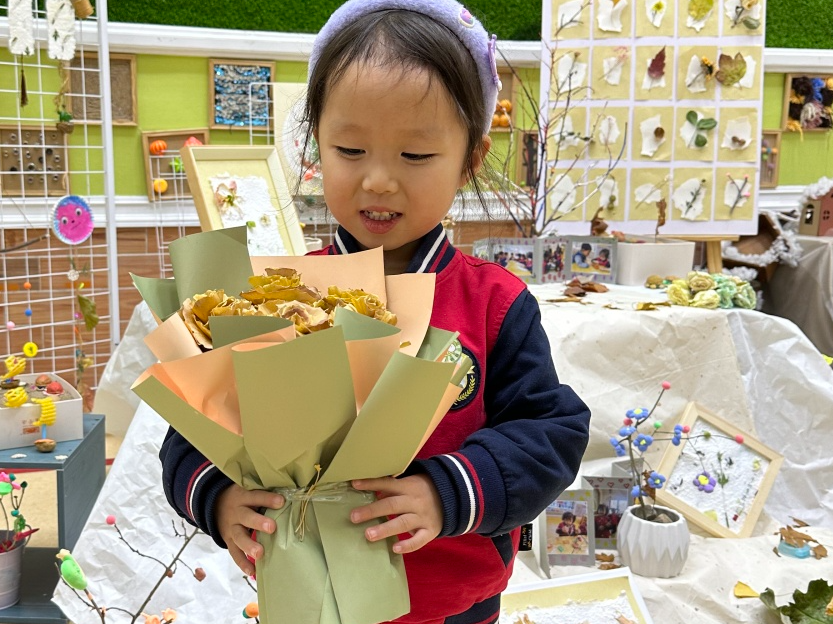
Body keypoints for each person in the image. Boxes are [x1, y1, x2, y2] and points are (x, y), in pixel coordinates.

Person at [159, 2, 591, 623]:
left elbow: (551, 433)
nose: (379, 180)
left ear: (470, 159)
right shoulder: (274, 298)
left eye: (415, 155)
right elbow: (193, 430)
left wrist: (449, 490)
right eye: (351, 149)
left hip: (452, 605)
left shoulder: (494, 304)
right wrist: (218, 497)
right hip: (308, 599)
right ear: (316, 146)